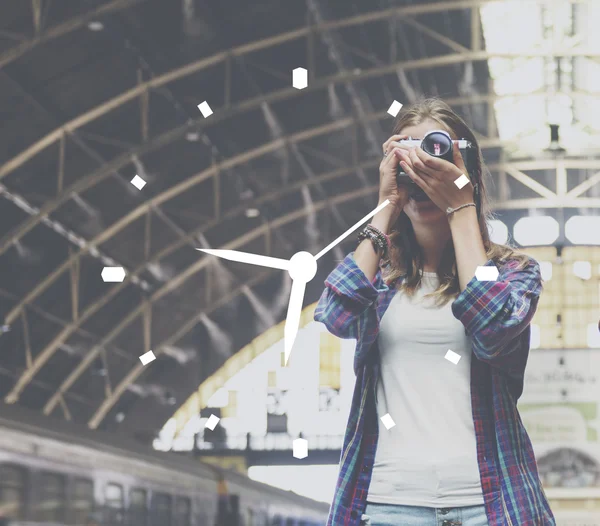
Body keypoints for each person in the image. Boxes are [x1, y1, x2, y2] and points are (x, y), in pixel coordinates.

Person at [314, 98, 555, 526]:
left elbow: (493, 327)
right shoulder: (381, 279)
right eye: (411, 158)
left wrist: (460, 206)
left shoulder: (513, 273)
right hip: (388, 504)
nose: (423, 175)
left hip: (489, 506)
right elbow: (335, 314)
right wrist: (386, 203)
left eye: (435, 154)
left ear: (469, 172)